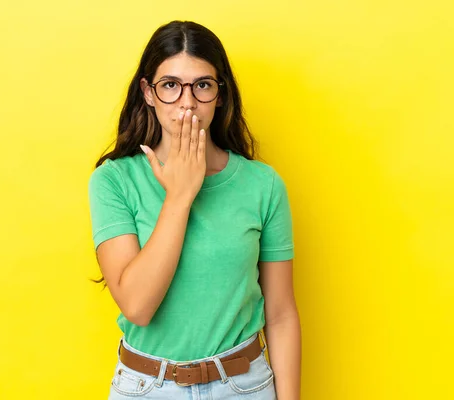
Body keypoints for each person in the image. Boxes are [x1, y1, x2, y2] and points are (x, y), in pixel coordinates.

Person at [88, 20, 301, 399]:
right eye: (170, 85)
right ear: (148, 93)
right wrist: (180, 195)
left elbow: (281, 314)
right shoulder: (114, 181)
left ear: (220, 94)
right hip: (147, 387)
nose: (187, 102)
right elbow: (137, 306)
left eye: (202, 85)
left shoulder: (263, 185)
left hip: (244, 386)